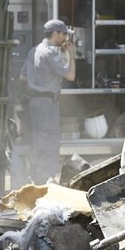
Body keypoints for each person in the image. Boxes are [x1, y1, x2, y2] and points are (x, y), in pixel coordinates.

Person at [19, 19, 76, 185]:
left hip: (35, 102)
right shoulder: (50, 53)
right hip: (47, 103)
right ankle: (45, 182)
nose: (65, 38)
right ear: (55, 34)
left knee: (38, 142)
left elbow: (22, 76)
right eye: (64, 34)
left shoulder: (33, 50)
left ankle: (37, 179)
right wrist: (71, 54)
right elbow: (70, 75)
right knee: (49, 142)